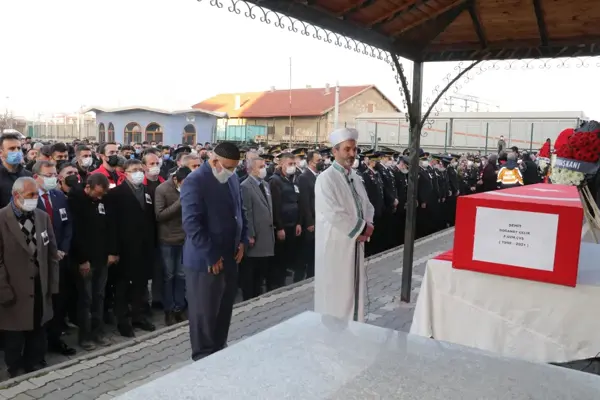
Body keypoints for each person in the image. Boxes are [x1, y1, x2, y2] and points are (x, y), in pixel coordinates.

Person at [181, 142, 248, 361]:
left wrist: (243, 240)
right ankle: (203, 361)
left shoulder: (232, 178)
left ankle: (219, 355)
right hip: (206, 262)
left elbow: (240, 212)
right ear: (214, 160)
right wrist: (210, 255)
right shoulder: (195, 181)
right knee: (204, 316)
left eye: (234, 167)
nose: (230, 171)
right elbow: (192, 224)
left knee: (223, 313)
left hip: (230, 257)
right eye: (227, 167)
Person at [0, 177, 59, 377]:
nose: (35, 199)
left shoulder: (42, 217)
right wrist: (3, 289)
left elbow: (52, 253)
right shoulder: (2, 219)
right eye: (30, 195)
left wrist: (52, 284)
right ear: (16, 196)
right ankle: (15, 368)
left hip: (39, 284)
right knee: (14, 333)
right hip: (13, 286)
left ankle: (35, 362)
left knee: (38, 327)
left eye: (36, 194)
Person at [314, 128, 374, 322]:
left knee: (353, 288)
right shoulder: (326, 179)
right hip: (336, 245)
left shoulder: (354, 176)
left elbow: (366, 204)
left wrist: (369, 224)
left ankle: (353, 328)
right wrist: (361, 228)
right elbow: (333, 212)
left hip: (354, 243)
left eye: (354, 150)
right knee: (336, 291)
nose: (351, 154)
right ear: (335, 151)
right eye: (347, 149)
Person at [106, 159, 157, 337]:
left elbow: (151, 219)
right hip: (124, 248)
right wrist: (113, 250)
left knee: (140, 285)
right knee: (122, 287)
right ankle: (123, 320)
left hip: (144, 247)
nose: (138, 173)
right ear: (125, 173)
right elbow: (111, 224)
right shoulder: (116, 194)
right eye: (134, 170)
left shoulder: (148, 192)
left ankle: (138, 316)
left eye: (140, 170)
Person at [32, 161, 76, 357]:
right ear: (36, 177)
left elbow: (67, 225)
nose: (53, 178)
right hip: (40, 260)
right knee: (41, 303)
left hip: (60, 259)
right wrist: (50, 252)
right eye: (48, 175)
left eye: (54, 174)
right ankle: (38, 346)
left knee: (59, 301)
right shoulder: (30, 199)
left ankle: (55, 339)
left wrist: (63, 250)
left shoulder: (58, 196)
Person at [68, 173, 111, 350]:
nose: (99, 197)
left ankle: (97, 332)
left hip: (101, 258)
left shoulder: (101, 201)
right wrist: (82, 259)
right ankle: (85, 336)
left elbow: (107, 226)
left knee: (99, 297)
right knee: (86, 299)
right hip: (85, 260)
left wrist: (110, 252)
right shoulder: (76, 201)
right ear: (88, 188)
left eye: (102, 195)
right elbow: (76, 234)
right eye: (97, 193)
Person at [155, 167, 191, 326]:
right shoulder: (162, 189)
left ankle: (180, 308)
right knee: (169, 276)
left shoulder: (191, 187)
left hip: (184, 239)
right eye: (184, 183)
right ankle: (168, 310)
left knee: (181, 276)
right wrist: (180, 202)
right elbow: (159, 215)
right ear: (176, 180)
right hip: (167, 240)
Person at [240, 154, 275, 300]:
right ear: (250, 169)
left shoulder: (265, 184)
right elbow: (246, 211)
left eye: (264, 166)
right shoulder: (245, 186)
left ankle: (258, 296)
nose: (264, 169)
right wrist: (250, 234)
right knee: (251, 271)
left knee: (261, 270)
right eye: (260, 167)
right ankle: (249, 298)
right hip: (255, 236)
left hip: (266, 234)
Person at [297, 150, 322, 279]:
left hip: (319, 219)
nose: (321, 163)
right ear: (310, 162)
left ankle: (313, 275)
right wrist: (309, 222)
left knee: (315, 252)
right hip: (311, 221)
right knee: (307, 251)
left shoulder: (318, 175)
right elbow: (305, 201)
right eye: (319, 161)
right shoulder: (304, 177)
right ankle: (303, 278)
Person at [0, 133, 32, 208]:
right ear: (1, 153)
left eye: (19, 148)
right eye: (12, 148)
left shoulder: (28, 175)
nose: (17, 151)